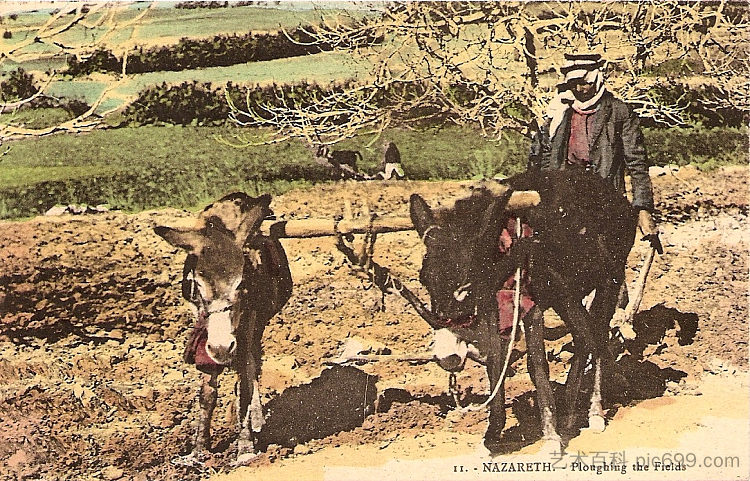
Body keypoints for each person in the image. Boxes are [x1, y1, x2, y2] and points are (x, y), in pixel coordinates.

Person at [528, 52, 662, 338]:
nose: (581, 89)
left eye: (586, 83)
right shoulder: (560, 114)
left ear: (598, 79)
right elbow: (543, 159)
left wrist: (643, 208)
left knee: (607, 266)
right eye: (575, 83)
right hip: (566, 197)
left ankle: (606, 319)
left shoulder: (618, 113)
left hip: (605, 202)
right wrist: (546, 128)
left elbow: (637, 163)